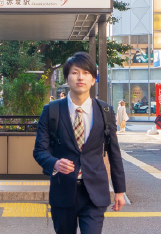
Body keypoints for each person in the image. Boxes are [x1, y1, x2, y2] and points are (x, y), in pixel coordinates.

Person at [33, 52, 126, 234]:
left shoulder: (105, 111)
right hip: (63, 191)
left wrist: (119, 190)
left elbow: (114, 152)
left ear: (93, 79)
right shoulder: (51, 111)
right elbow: (39, 150)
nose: (80, 77)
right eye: (75, 72)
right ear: (67, 79)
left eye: (86, 72)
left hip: (94, 193)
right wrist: (55, 163)